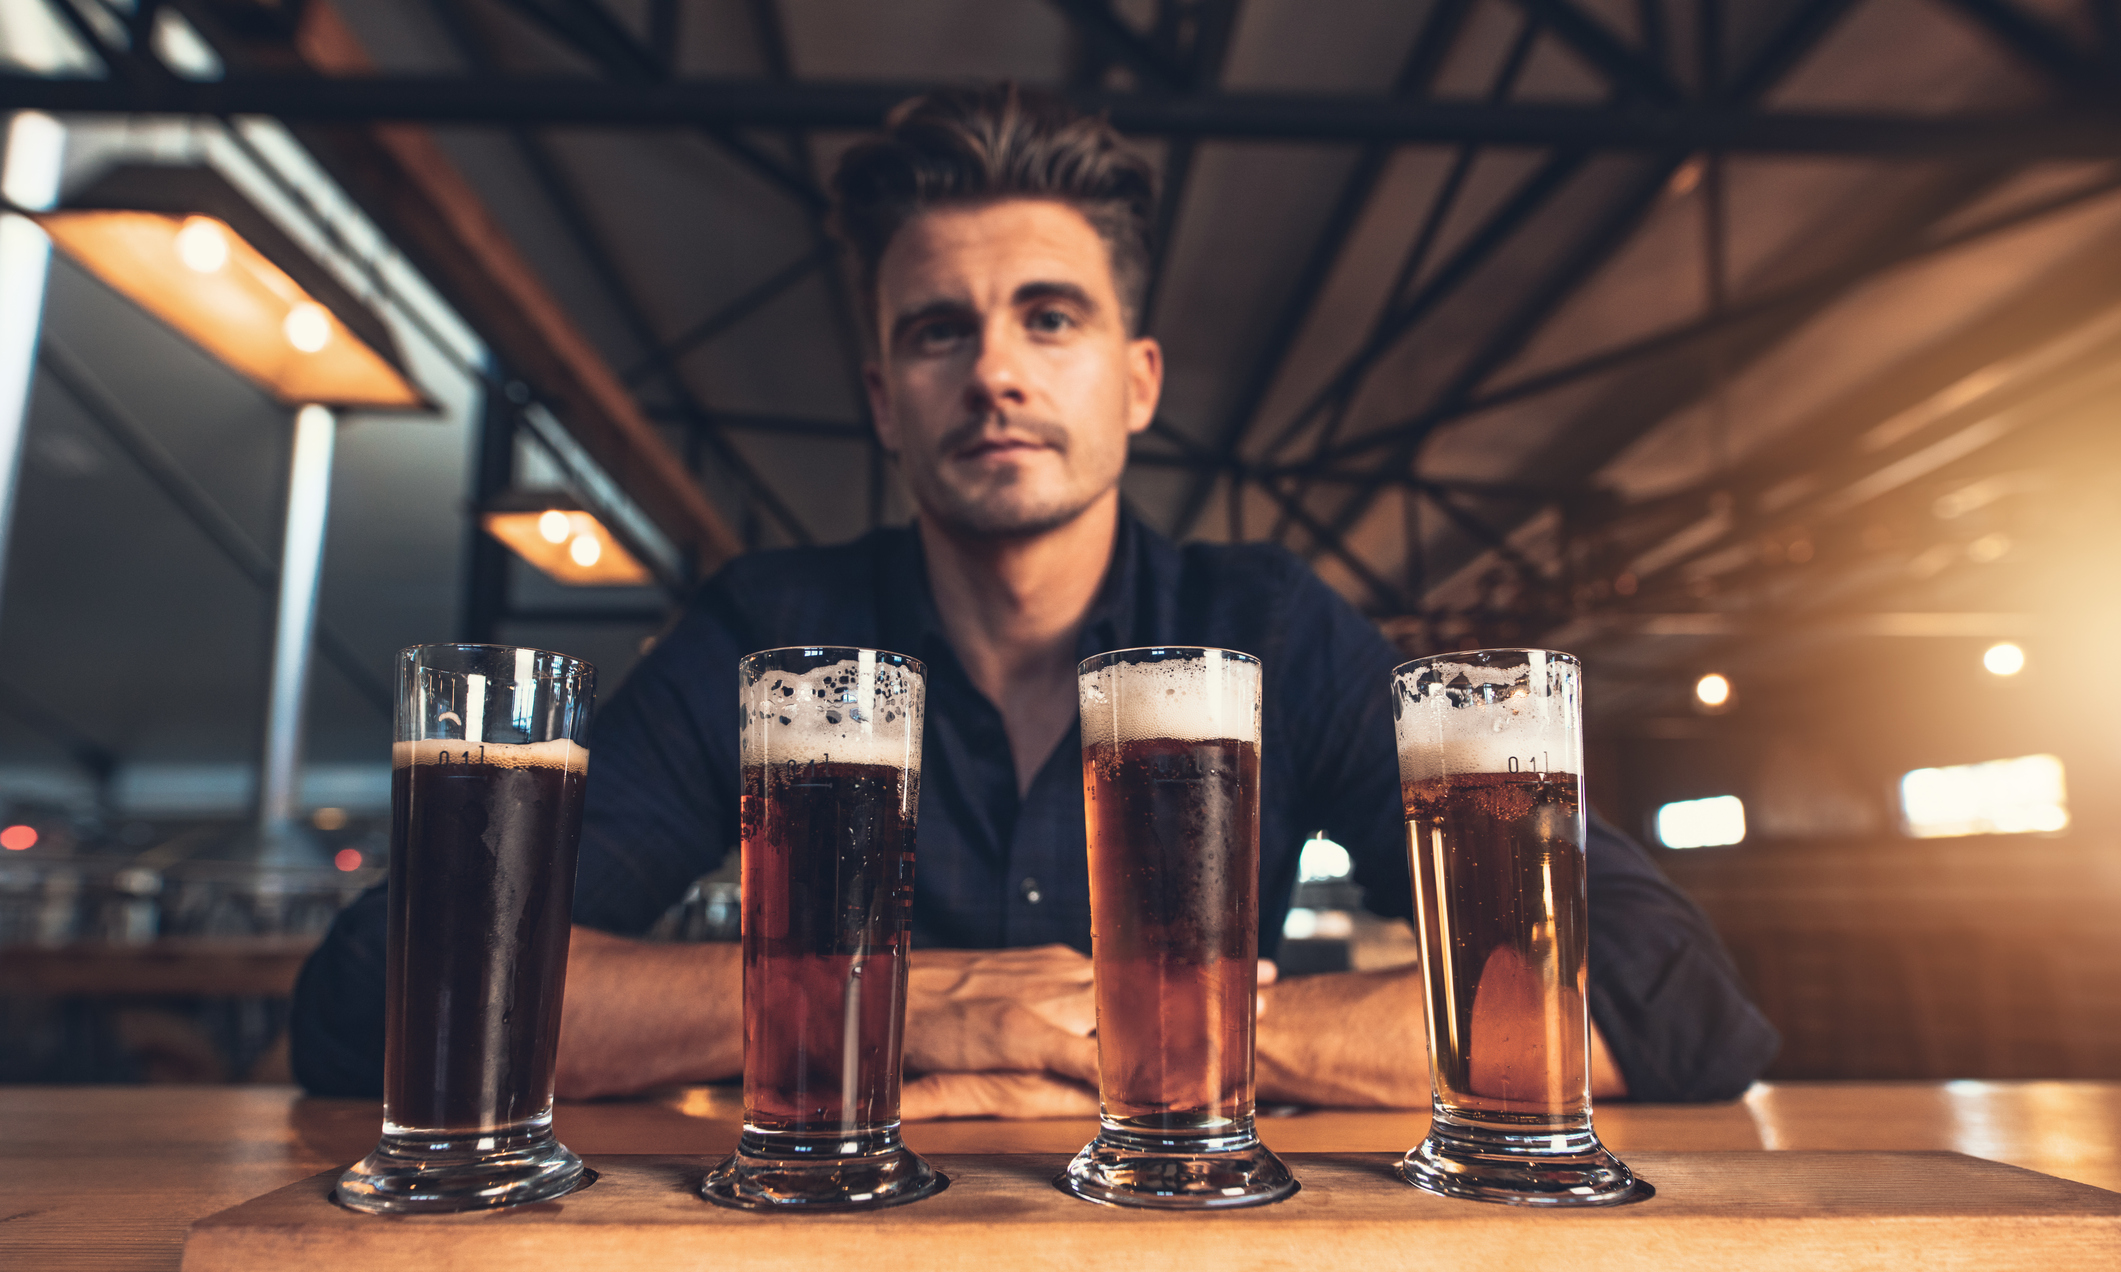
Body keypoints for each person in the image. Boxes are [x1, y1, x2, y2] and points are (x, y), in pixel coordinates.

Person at [292, 86, 1777, 1115]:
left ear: (1134, 382)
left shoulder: (1260, 626)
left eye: (1047, 318)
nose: (993, 370)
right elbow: (390, 993)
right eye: (939, 330)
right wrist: (911, 1006)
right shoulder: (769, 634)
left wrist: (1164, 1030)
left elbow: (1662, 1000)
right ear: (882, 397)